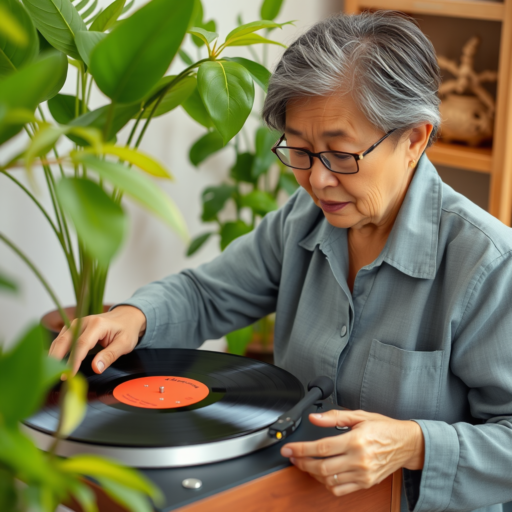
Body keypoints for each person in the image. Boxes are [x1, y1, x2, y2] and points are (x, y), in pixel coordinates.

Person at [49, 11, 512, 512]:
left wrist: (414, 445)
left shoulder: (488, 264)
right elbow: (207, 293)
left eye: (340, 154)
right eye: (299, 150)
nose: (318, 181)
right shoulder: (302, 219)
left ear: (415, 139)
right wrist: (131, 317)